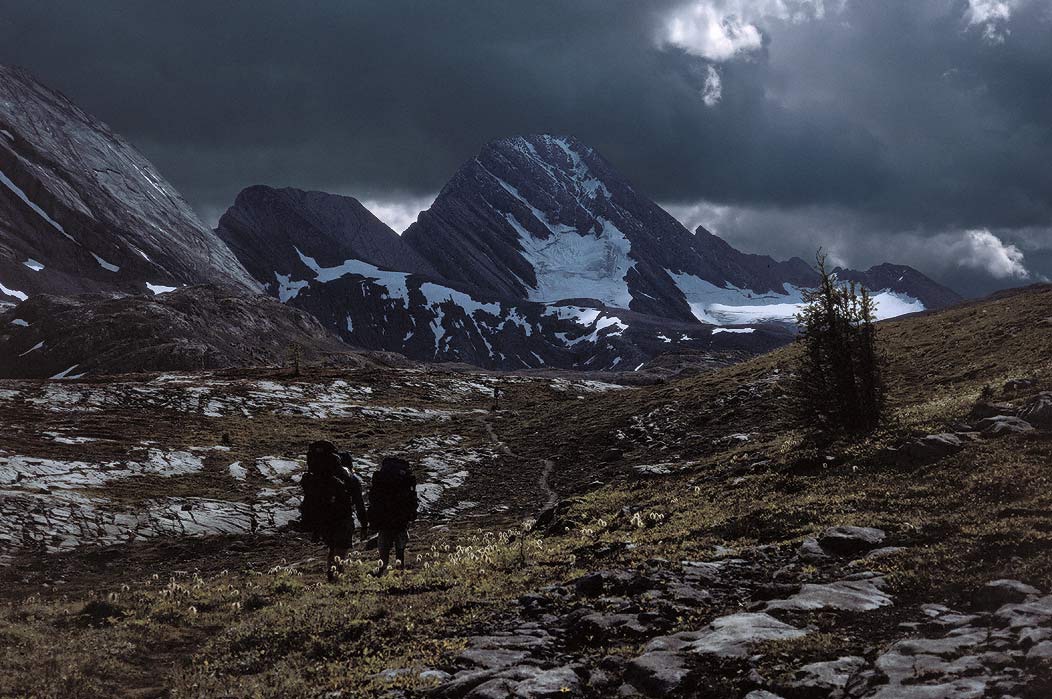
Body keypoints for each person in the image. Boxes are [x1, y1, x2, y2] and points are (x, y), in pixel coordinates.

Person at [297, 440, 368, 582]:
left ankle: (331, 575)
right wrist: (364, 524)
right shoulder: (350, 478)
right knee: (340, 549)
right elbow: (359, 502)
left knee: (332, 548)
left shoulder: (319, 476)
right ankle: (337, 578)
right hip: (342, 517)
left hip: (324, 518)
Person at [368, 456, 418, 575]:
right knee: (400, 546)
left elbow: (373, 498)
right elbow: (412, 498)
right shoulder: (405, 479)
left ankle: (382, 568)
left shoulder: (382, 479)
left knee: (384, 543)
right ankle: (399, 569)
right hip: (401, 518)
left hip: (384, 518)